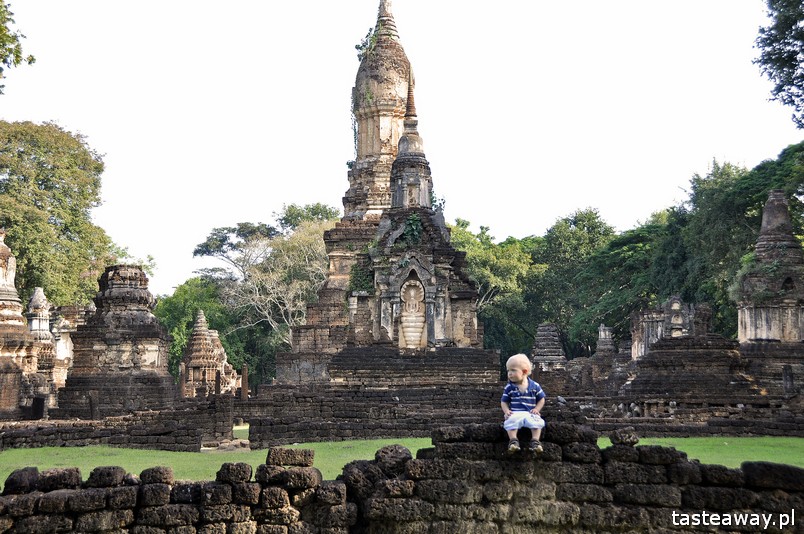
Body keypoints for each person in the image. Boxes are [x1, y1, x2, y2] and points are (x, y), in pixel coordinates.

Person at [500, 353, 545, 454]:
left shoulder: (535, 386)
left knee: (537, 422)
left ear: (524, 371)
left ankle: (535, 441)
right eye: (508, 371)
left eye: (513, 370)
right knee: (510, 422)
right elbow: (504, 401)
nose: (509, 373)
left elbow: (541, 399)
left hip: (530, 412)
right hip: (515, 413)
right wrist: (506, 411)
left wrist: (537, 409)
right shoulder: (509, 387)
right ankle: (513, 441)